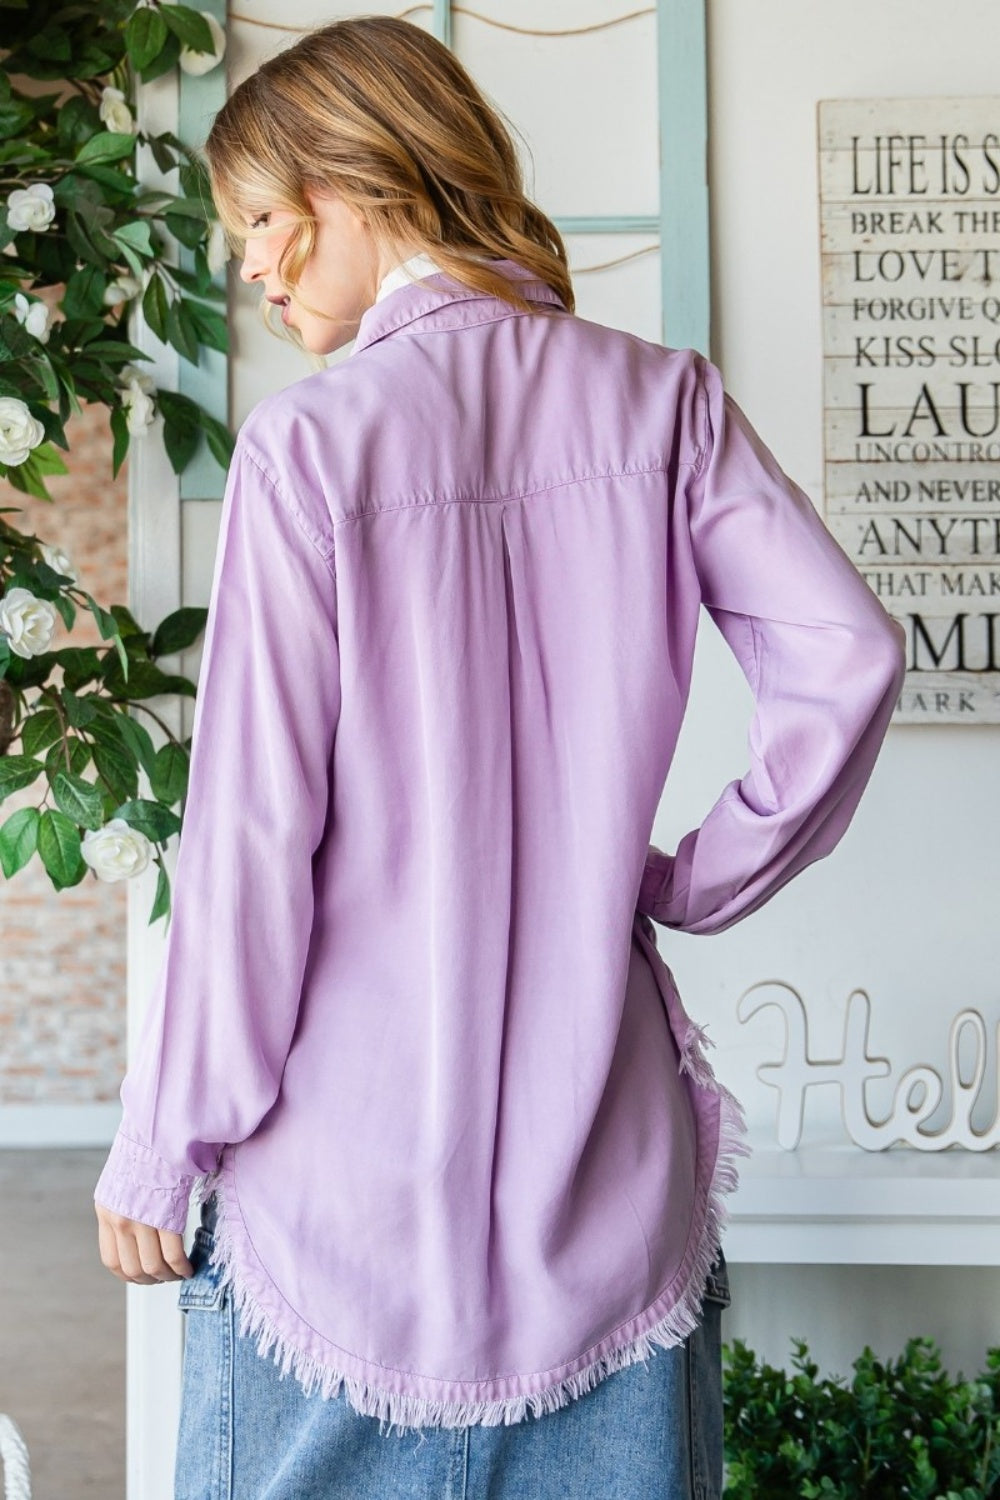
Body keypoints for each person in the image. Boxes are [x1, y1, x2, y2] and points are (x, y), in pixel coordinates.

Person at [93, 15, 907, 1499]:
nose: (251, 269)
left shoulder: (308, 450)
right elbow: (849, 657)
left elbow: (252, 841)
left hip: (334, 1231)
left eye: (261, 221)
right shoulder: (664, 402)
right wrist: (692, 881)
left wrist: (165, 1141)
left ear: (358, 181)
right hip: (609, 1217)